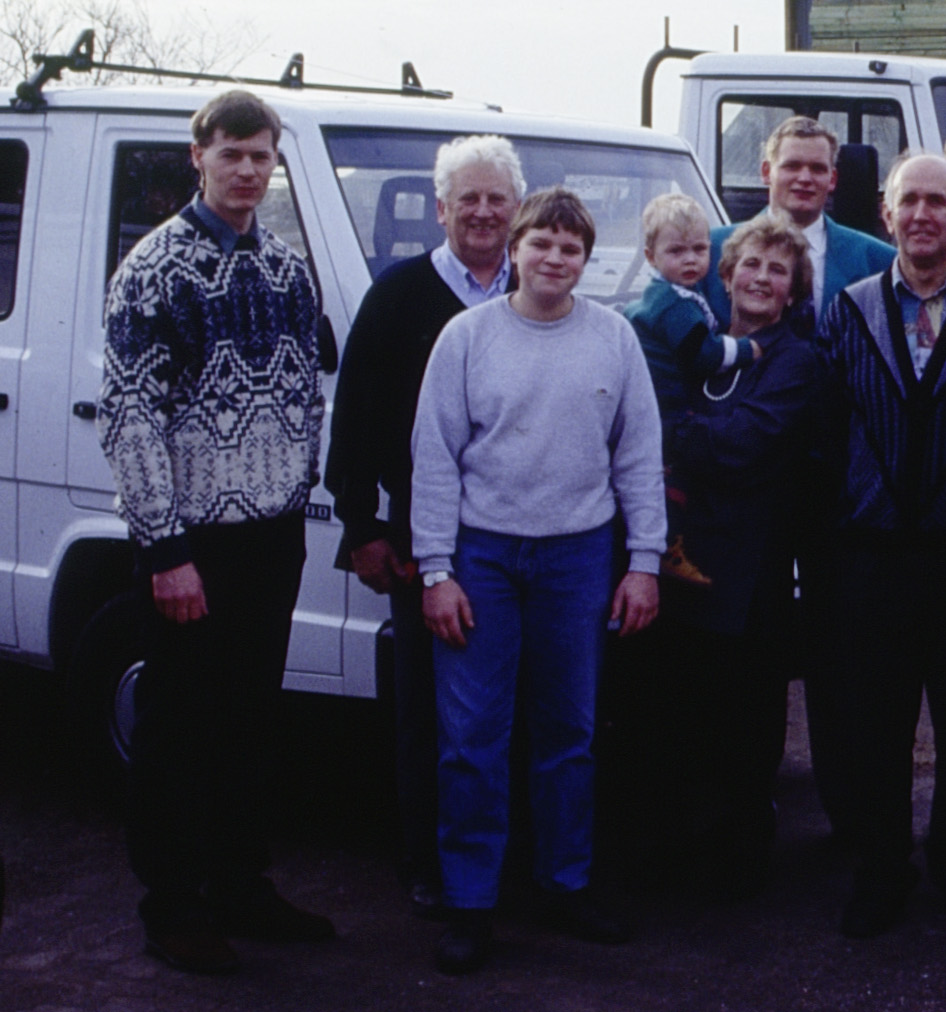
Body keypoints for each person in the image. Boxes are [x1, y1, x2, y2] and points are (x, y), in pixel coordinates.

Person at [101, 89, 333, 975]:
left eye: (261, 155)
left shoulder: (284, 267)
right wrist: (164, 550)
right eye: (231, 153)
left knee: (248, 723)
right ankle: (175, 908)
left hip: (271, 536)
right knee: (179, 731)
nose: (247, 170)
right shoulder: (155, 269)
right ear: (197, 155)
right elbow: (130, 418)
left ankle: (242, 887)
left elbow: (303, 394)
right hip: (192, 545)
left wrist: (296, 498)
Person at [411, 187, 666, 975]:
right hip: (482, 558)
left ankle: (566, 884)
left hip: (577, 557)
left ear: (587, 260)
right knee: (472, 739)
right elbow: (434, 458)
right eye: (541, 244)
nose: (554, 258)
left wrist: (645, 563)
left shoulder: (613, 338)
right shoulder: (465, 336)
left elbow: (638, 457)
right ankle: (470, 903)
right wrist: (436, 571)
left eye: (570, 247)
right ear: (514, 250)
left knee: (569, 735)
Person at [814, 152, 946, 938]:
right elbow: (825, 433)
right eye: (911, 202)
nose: (924, 216)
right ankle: (880, 872)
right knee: (873, 728)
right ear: (886, 211)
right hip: (870, 556)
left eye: (940, 202)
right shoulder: (849, 307)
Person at [326, 133, 524, 919]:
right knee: (428, 714)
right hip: (422, 543)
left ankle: (510, 863)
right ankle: (426, 865)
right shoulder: (398, 295)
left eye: (495, 199)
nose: (481, 212)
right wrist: (364, 526)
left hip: (520, 540)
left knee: (507, 712)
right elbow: (356, 423)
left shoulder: (538, 291)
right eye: (466, 199)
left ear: (516, 208)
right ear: (440, 209)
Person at [659, 213, 823, 901]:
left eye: (776, 271)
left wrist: (665, 430)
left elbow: (744, 445)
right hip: (673, 570)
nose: (760, 278)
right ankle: (674, 854)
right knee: (678, 719)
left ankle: (737, 866)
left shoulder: (796, 361)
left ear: (792, 292)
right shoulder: (694, 348)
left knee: (744, 723)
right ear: (723, 274)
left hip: (751, 579)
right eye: (749, 265)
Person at [705, 115, 896, 323]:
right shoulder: (711, 249)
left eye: (817, 169)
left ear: (832, 180)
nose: (805, 178)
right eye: (792, 166)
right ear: (766, 172)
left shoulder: (878, 260)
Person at [625, 192, 743, 416]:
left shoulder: (681, 293)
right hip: (669, 409)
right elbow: (705, 355)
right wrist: (746, 348)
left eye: (699, 249)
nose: (690, 259)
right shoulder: (673, 305)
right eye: (676, 250)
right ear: (651, 257)